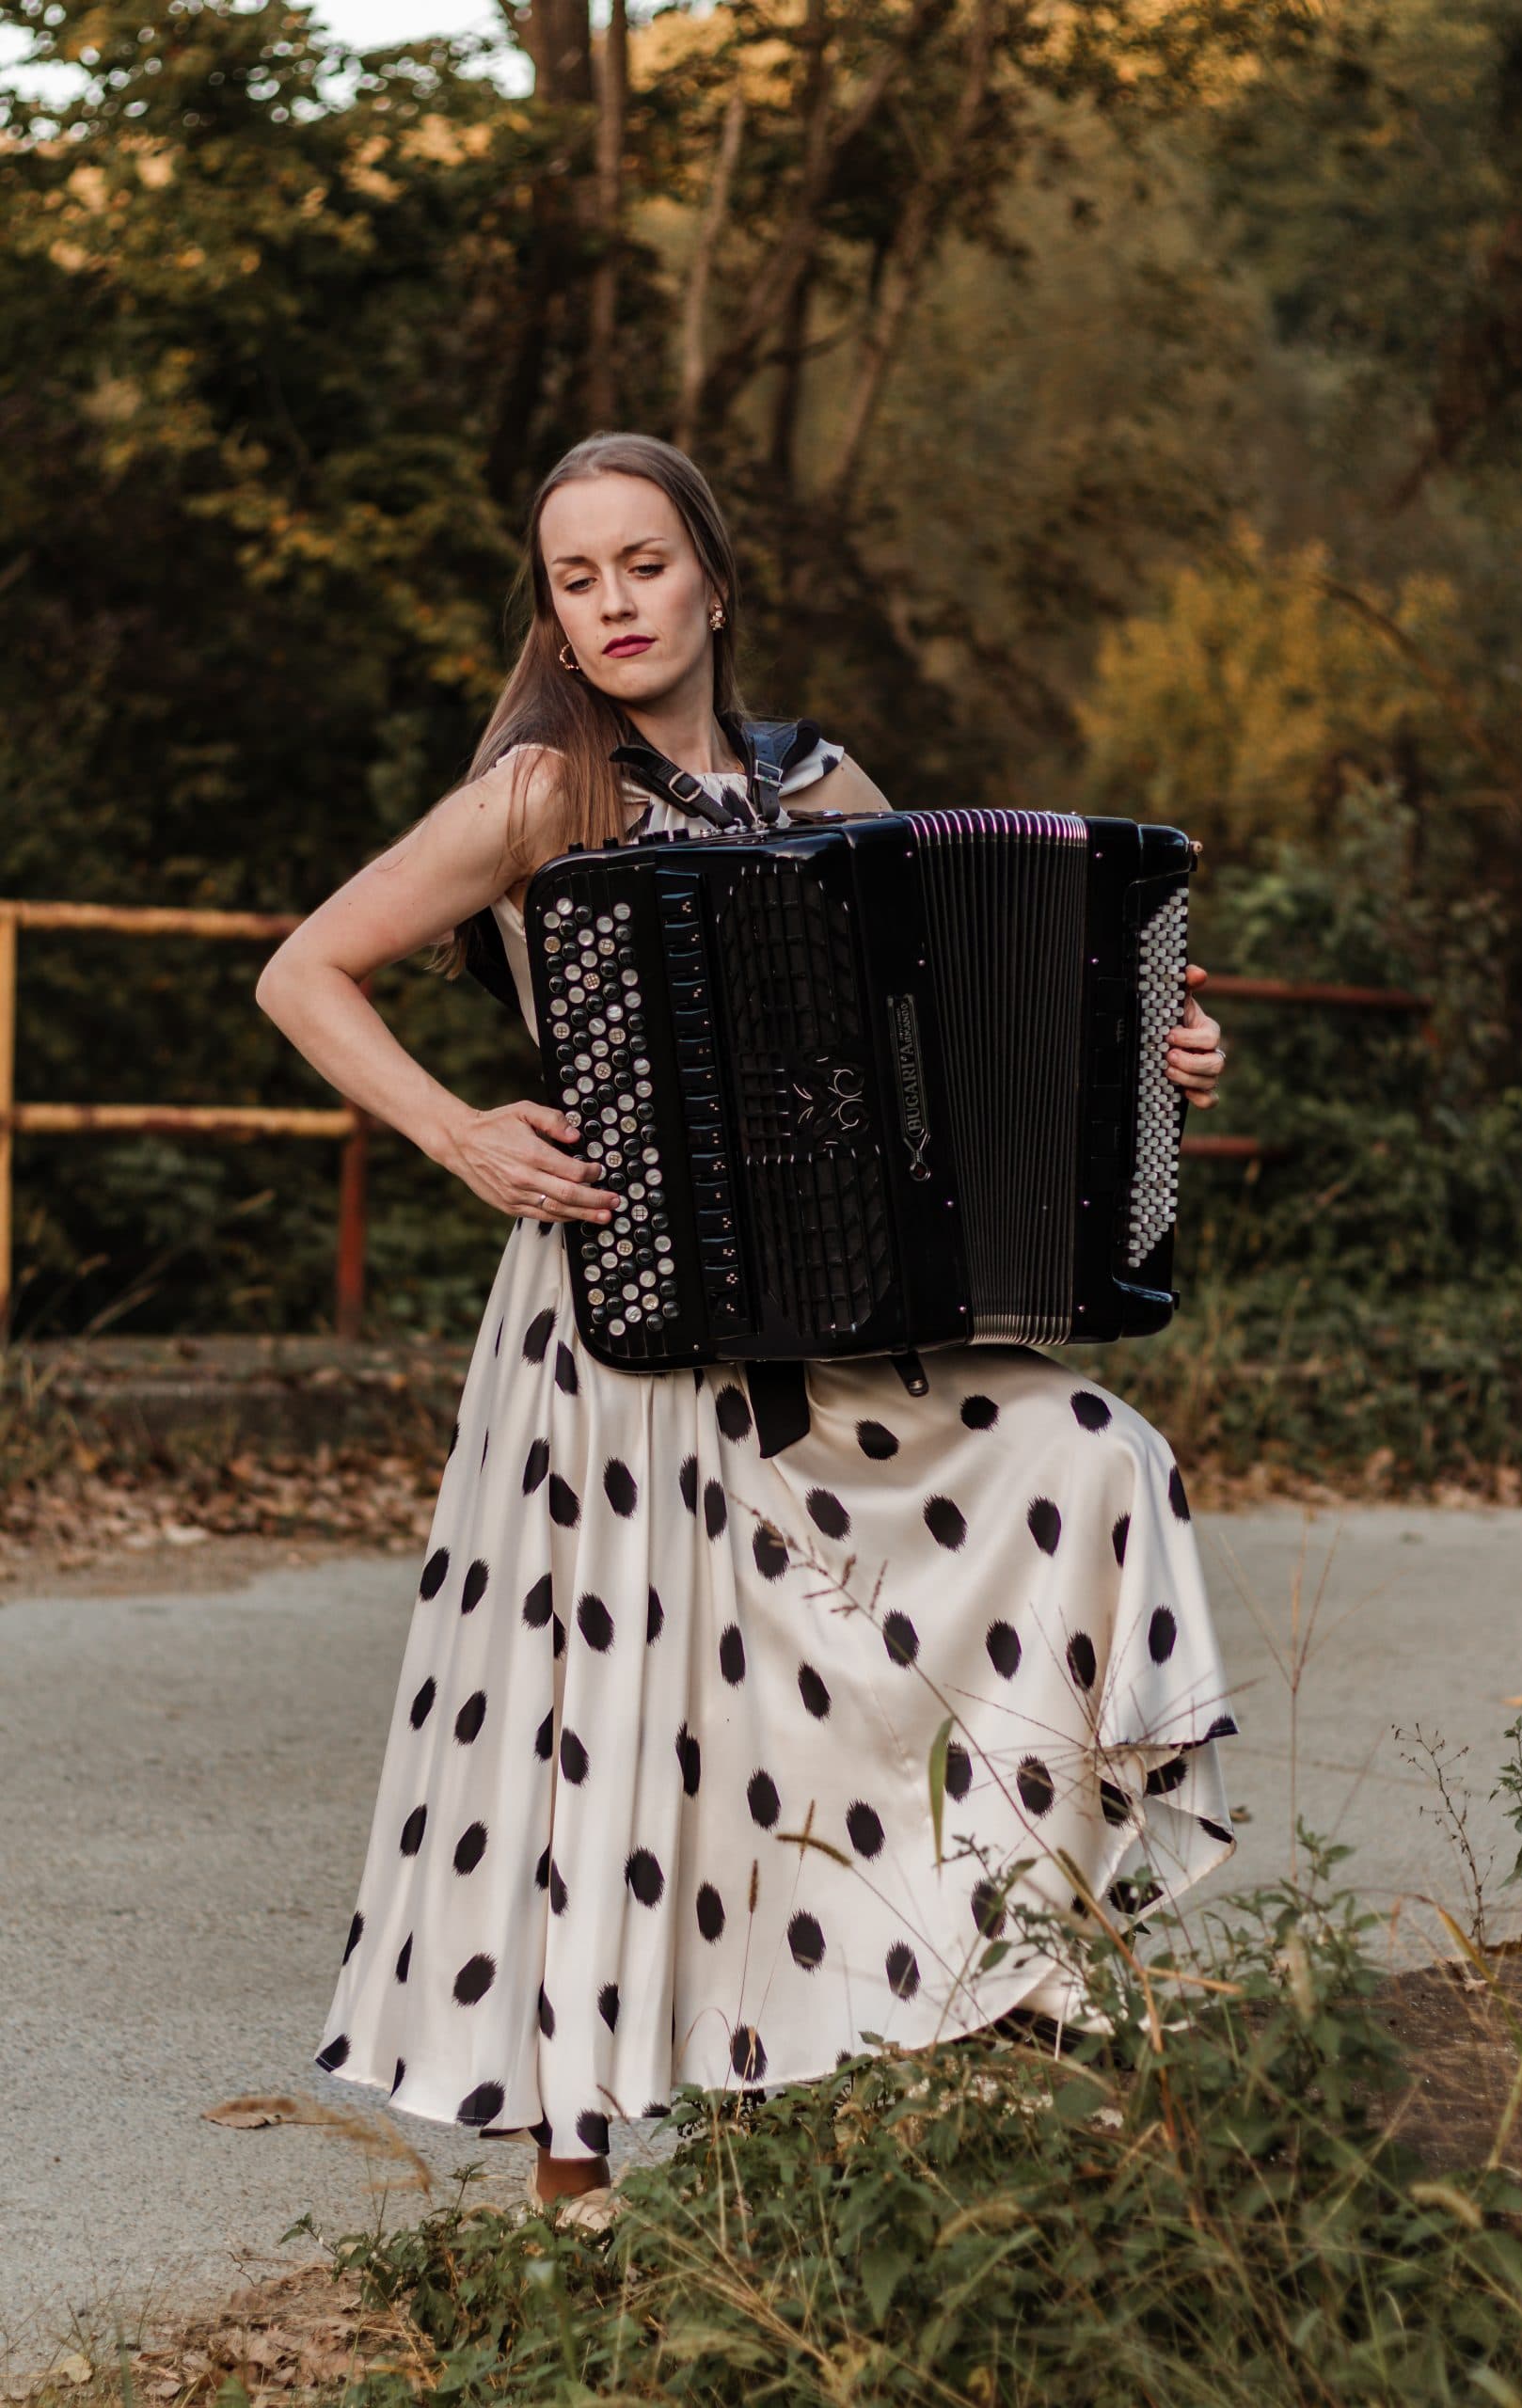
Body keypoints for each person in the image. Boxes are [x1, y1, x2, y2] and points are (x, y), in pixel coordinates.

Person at [255, 431, 1238, 2215]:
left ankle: (1008, 1955)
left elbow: (953, 1029)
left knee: (1091, 1460)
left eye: (643, 564)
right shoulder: (549, 792)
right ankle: (579, 2186)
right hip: (621, 1318)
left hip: (832, 1311)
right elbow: (303, 969)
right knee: (611, 1716)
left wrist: (1143, 1055)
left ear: (713, 578)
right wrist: (462, 1131)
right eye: (577, 578)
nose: (614, 603)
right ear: (550, 614)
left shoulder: (824, 780)